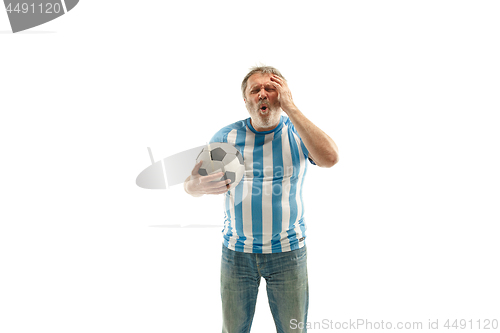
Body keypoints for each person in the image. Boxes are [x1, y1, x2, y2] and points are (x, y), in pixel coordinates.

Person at [184, 66, 339, 333]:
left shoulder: (298, 133)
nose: (263, 94)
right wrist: (197, 186)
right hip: (237, 254)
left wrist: (292, 108)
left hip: (288, 253)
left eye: (271, 88)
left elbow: (330, 159)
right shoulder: (226, 137)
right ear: (246, 101)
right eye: (255, 90)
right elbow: (190, 185)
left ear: (283, 96)